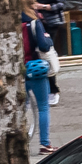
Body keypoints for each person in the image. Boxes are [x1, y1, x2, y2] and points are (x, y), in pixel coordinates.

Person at [22, 0, 67, 89]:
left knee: (46, 53)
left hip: (51, 22)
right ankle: (42, 86)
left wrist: (43, 7)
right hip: (34, 23)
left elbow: (61, 4)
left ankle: (53, 89)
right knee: (35, 54)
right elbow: (24, 1)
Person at [22, 14, 58, 151]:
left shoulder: (9, 22)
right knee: (43, 107)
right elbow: (44, 46)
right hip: (36, 68)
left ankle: (21, 142)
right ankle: (44, 143)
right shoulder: (33, 23)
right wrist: (48, 39)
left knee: (22, 108)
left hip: (18, 70)